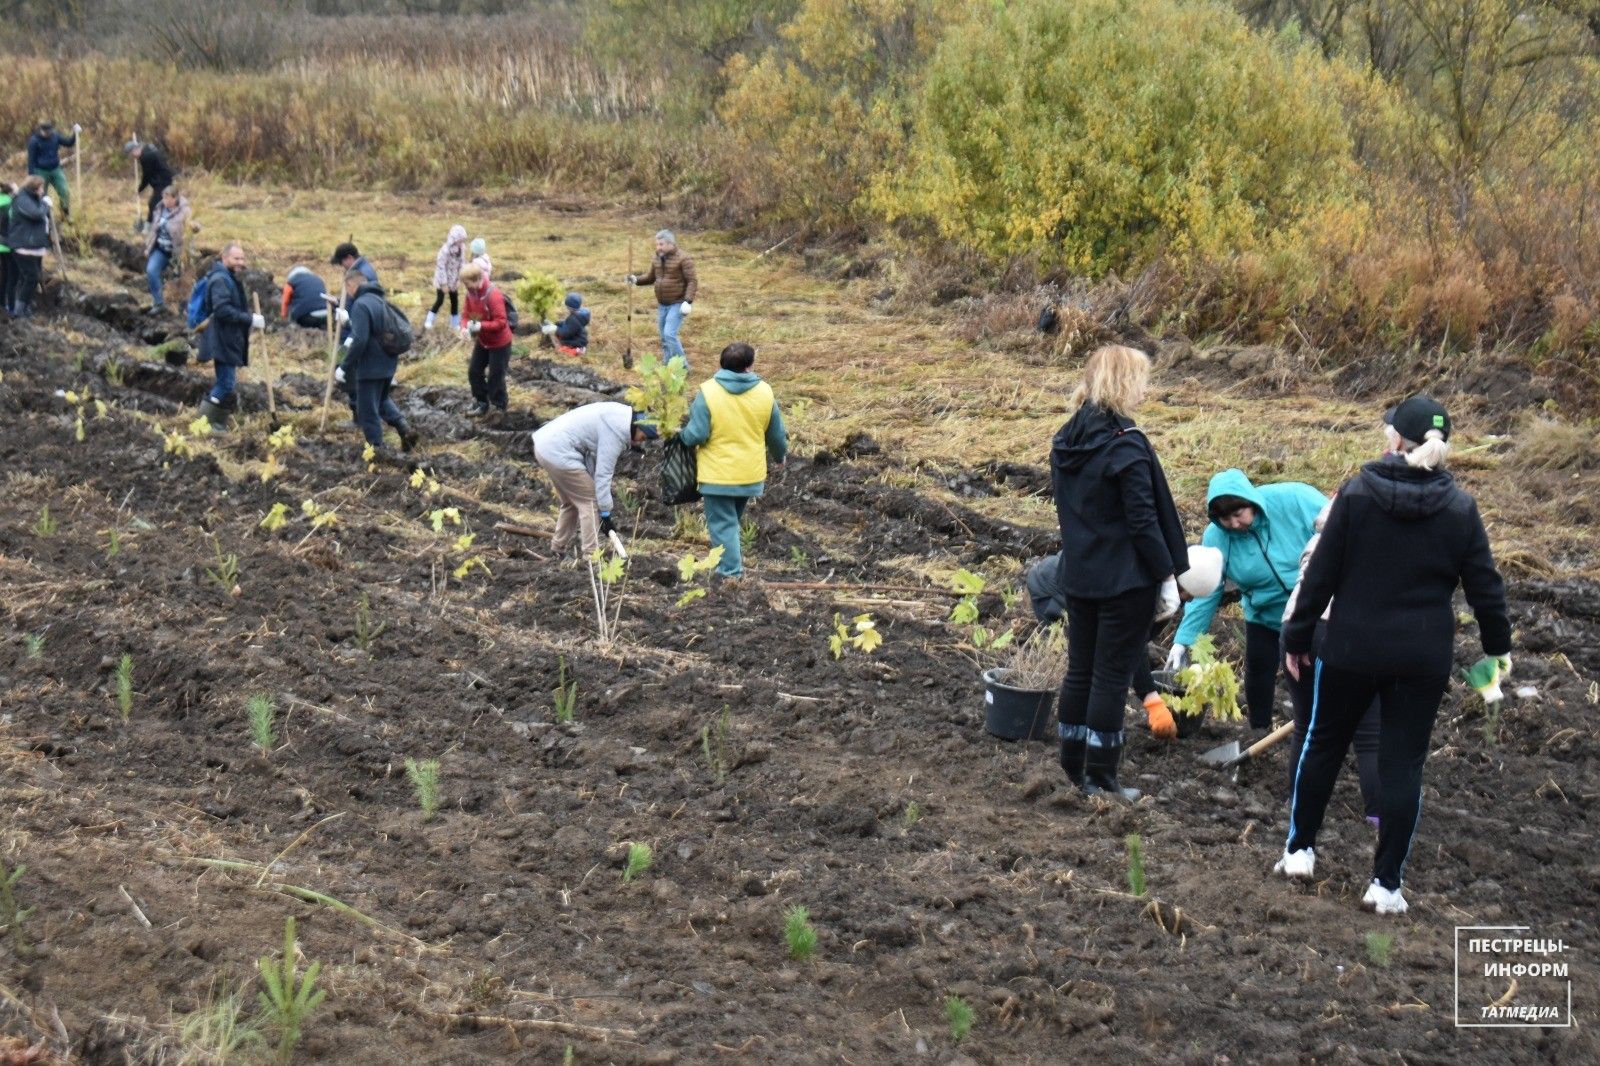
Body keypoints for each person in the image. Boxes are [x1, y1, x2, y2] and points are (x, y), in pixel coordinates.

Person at [1277, 397, 1510, 915]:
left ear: (1394, 440)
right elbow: (1486, 590)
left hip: (1351, 646)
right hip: (1420, 657)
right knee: (1402, 766)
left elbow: (1321, 577)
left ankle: (1299, 852)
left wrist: (1296, 637)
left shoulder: (1357, 496)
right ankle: (1385, 886)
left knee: (1322, 745)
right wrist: (1497, 650)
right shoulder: (1460, 509)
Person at [1050, 344, 1188, 800]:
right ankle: (1101, 779)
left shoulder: (1067, 439)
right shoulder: (1124, 444)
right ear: (1125, 383)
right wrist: (1166, 575)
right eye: (1142, 380)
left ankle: (1072, 768)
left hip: (1081, 572)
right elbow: (1143, 520)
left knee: (1080, 672)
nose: (1146, 391)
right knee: (1109, 677)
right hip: (1125, 579)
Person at [1166, 470, 1327, 730]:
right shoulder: (1217, 537)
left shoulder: (1295, 499)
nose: (1234, 524)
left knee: (1321, 674)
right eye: (1225, 518)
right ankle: (1259, 732)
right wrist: (1183, 641)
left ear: (1251, 502)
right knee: (1258, 675)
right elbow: (1208, 592)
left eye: (1238, 514)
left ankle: (1321, 729)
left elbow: (1340, 528)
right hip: (1266, 617)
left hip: (1316, 613)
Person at [1029, 544, 1224, 738]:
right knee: (1088, 665)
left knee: (1104, 663)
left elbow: (1135, 640)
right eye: (1187, 595)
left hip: (1086, 588)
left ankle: (1090, 729)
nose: (1185, 602)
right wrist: (1151, 698)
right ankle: (1078, 735)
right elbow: (1131, 644)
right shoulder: (1148, 584)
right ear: (1181, 582)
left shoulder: (1164, 588)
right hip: (1053, 589)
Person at [1280, 495, 1381, 826]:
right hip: (1350, 635)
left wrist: (1297, 639)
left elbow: (1307, 593)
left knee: (1307, 725)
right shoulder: (1382, 545)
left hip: (1299, 629)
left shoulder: (1317, 541)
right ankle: (1378, 816)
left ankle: (1299, 806)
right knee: (1368, 731)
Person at [676, 342, 787, 579]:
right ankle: (725, 565)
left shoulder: (708, 391)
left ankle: (730, 574)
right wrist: (780, 456)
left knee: (723, 526)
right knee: (730, 524)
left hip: (718, 475)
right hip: (749, 474)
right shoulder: (765, 391)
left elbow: (696, 434)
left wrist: (680, 438)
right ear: (750, 365)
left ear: (721, 364)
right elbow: (776, 433)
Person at [532, 402, 658, 557]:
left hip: (546, 445)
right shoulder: (615, 434)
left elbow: (592, 458)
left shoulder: (618, 416)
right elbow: (603, 474)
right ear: (638, 427)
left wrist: (604, 512)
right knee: (589, 500)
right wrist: (605, 512)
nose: (639, 442)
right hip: (559, 450)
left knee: (572, 502)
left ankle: (557, 549)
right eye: (642, 437)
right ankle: (591, 556)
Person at [335, 269, 418, 454]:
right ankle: (404, 428)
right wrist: (349, 321)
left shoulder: (360, 304)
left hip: (370, 366)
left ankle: (377, 449)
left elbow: (361, 339)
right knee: (381, 400)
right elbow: (371, 329)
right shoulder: (378, 300)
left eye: (346, 288)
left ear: (351, 285)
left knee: (366, 410)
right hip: (388, 363)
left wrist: (344, 366)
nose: (347, 293)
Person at [196, 243, 265, 431]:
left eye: (242, 259)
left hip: (227, 338)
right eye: (236, 258)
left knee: (226, 382)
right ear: (224, 258)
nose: (240, 263)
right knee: (226, 383)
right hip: (222, 339)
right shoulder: (220, 279)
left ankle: (212, 422)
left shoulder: (228, 277)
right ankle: (205, 422)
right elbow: (222, 310)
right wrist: (250, 319)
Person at [628, 229, 696, 368]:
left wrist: (688, 301)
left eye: (661, 244)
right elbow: (651, 278)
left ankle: (683, 368)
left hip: (677, 303)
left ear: (671, 244)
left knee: (669, 334)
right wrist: (636, 280)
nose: (658, 247)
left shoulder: (684, 258)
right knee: (664, 338)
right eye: (657, 244)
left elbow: (692, 281)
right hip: (662, 304)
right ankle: (667, 364)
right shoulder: (657, 258)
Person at [458, 262, 513, 420]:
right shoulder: (470, 294)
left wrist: (480, 325)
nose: (465, 287)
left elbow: (501, 322)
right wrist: (464, 328)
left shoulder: (493, 295)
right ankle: (481, 402)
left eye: (467, 284)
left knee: (496, 376)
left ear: (476, 280)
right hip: (483, 341)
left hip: (500, 343)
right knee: (474, 371)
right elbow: (465, 315)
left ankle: (499, 406)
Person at [6, 177, 52, 319]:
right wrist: (46, 205)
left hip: (34, 246)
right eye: (41, 188)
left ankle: (24, 307)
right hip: (23, 246)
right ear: (34, 188)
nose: (43, 191)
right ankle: (19, 310)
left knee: (32, 277)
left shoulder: (34, 199)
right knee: (31, 277)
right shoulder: (22, 200)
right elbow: (36, 214)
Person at [142, 186, 191, 315]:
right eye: (163, 198)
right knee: (151, 270)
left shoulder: (185, 211)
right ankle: (159, 303)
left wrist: (194, 228)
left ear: (175, 198)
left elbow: (192, 227)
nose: (165, 201)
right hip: (161, 249)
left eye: (168, 198)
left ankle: (184, 307)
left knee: (182, 279)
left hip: (177, 252)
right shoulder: (159, 209)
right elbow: (154, 230)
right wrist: (148, 247)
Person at [26, 120, 78, 219]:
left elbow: (68, 143)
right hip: (41, 171)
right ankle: (45, 216)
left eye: (49, 131)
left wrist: (75, 134)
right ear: (41, 130)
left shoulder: (55, 136)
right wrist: (31, 175)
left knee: (64, 191)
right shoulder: (34, 141)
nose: (48, 134)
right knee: (41, 195)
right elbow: (31, 160)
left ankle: (65, 212)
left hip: (56, 169)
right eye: (46, 132)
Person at [125, 140, 176, 225]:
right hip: (162, 179)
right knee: (158, 203)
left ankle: (150, 225)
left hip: (163, 180)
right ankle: (157, 222)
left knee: (154, 204)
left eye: (131, 154)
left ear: (135, 150)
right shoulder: (147, 148)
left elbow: (147, 176)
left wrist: (140, 189)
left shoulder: (146, 157)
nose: (133, 157)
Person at [427, 225, 468, 331]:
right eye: (460, 240)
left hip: (454, 279)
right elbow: (440, 267)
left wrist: (459, 279)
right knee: (440, 300)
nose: (462, 242)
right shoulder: (445, 250)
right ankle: (429, 319)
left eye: (463, 240)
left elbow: (462, 263)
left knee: (455, 300)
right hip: (442, 280)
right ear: (454, 239)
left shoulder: (462, 248)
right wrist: (444, 284)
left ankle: (455, 323)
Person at [0, 183, 14, 319]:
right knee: (11, 277)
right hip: (8, 245)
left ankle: (1, 304)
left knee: (3, 276)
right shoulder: (10, 205)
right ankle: (11, 306)